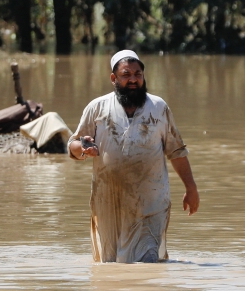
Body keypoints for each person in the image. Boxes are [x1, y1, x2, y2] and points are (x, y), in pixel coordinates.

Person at [68, 50, 199, 263]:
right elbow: (73, 144)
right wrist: (83, 148)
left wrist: (191, 188)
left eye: (138, 74)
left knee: (148, 263)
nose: (133, 80)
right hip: (108, 202)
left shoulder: (158, 108)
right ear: (114, 78)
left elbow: (176, 151)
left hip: (151, 203)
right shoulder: (97, 108)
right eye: (126, 75)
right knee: (109, 265)